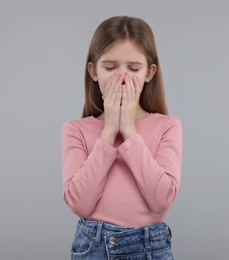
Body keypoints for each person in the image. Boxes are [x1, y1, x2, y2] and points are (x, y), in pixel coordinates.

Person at [61, 16, 182, 260]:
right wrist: (108, 132)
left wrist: (128, 130)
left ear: (150, 73)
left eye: (134, 68)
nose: (123, 78)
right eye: (110, 67)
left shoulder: (168, 126)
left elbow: (161, 201)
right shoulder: (75, 130)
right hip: (93, 249)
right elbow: (80, 204)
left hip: (150, 248)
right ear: (93, 71)